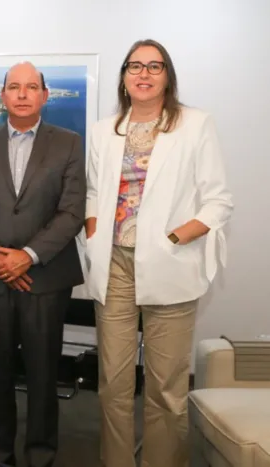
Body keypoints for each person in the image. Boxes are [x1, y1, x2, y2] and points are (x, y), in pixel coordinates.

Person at [84, 39, 233, 467]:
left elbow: (219, 200)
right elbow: (94, 192)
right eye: (135, 66)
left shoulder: (195, 124)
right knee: (112, 384)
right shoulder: (103, 130)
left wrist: (175, 238)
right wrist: (94, 232)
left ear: (168, 76)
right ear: (124, 78)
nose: (144, 74)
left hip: (171, 266)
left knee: (165, 388)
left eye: (154, 66)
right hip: (114, 265)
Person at [0, 62, 86, 467]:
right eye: (15, 87)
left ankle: (41, 455)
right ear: (3, 96)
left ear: (44, 95)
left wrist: (26, 256)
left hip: (45, 277)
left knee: (43, 373)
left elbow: (72, 211)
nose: (23, 93)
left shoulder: (68, 143)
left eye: (32, 87)